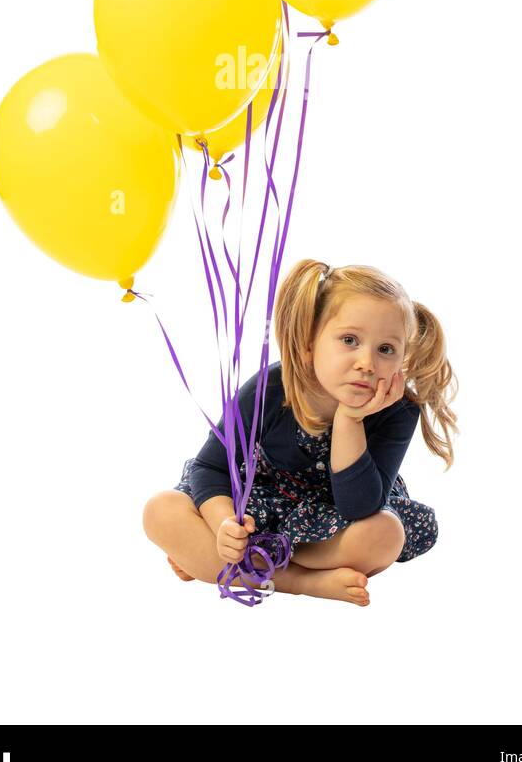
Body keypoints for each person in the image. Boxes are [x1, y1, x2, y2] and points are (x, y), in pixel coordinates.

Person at [142, 259, 459, 606]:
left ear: (402, 359)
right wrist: (223, 530)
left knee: (385, 535)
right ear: (309, 344)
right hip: (261, 504)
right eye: (350, 340)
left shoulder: (398, 410)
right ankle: (298, 581)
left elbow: (360, 507)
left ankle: (226, 565)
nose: (367, 363)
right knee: (161, 511)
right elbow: (211, 467)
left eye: (386, 350)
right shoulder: (272, 387)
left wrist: (349, 421)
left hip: (330, 523)